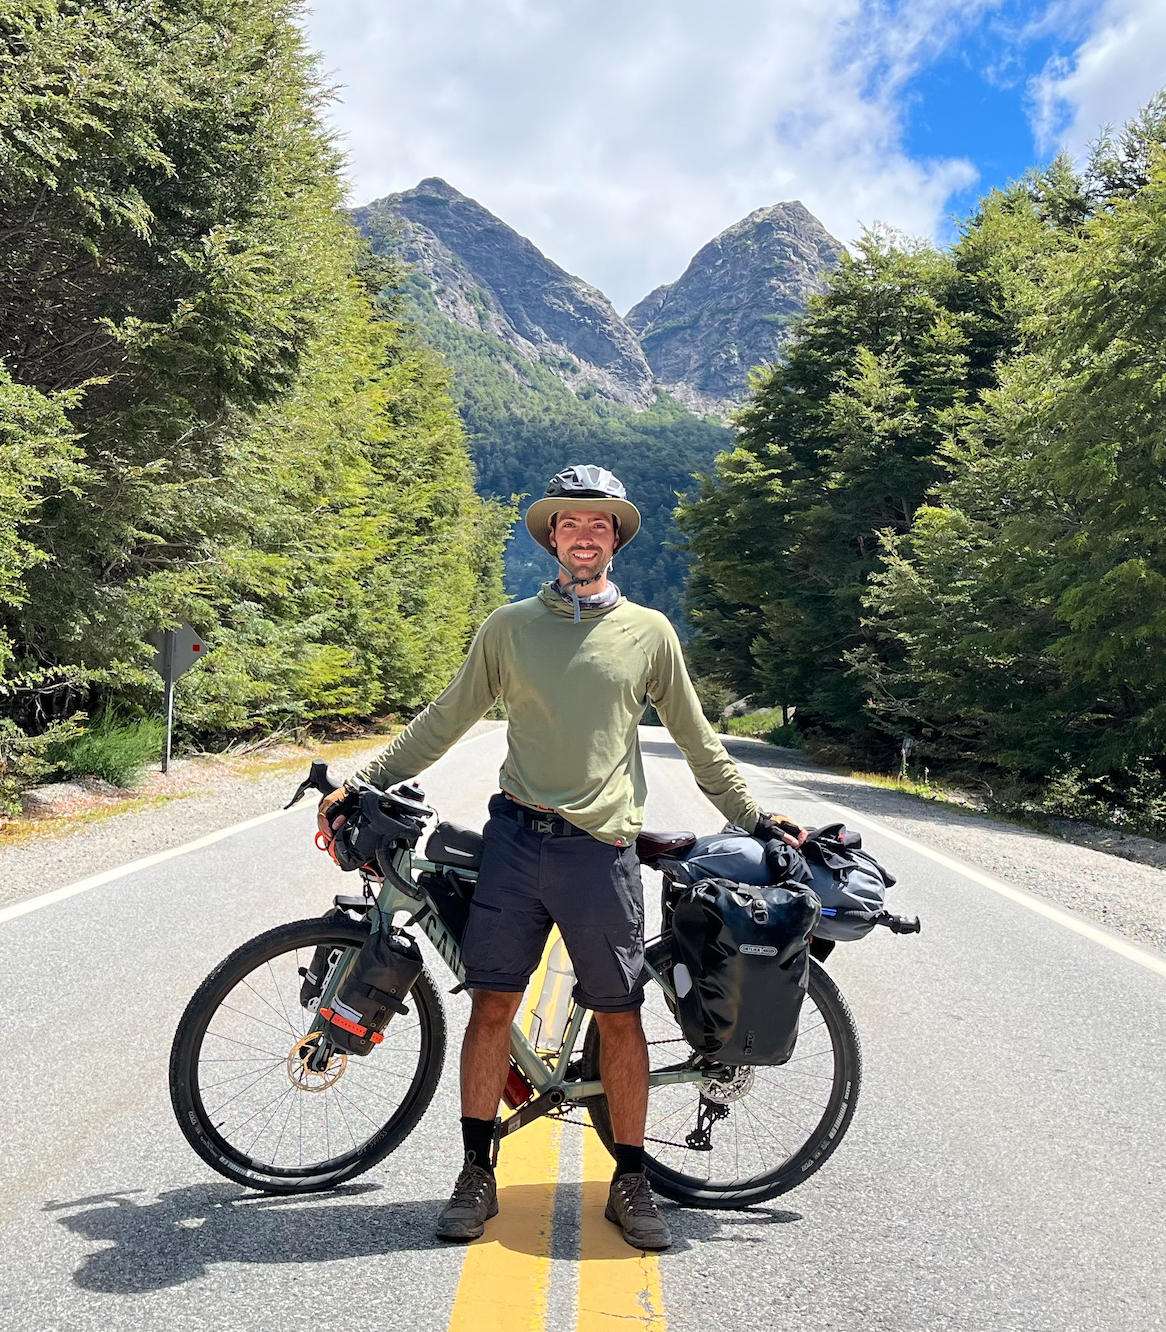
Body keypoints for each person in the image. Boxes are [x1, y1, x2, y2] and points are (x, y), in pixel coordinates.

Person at [317, 464, 806, 1250]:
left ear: (615, 538)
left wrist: (753, 815)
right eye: (571, 523)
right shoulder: (508, 628)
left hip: (600, 851)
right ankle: (477, 1173)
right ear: (552, 537)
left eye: (600, 523)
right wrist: (365, 779)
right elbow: (446, 719)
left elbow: (697, 740)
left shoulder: (649, 633)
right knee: (492, 1010)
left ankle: (632, 1179)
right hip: (516, 840)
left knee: (620, 1016)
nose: (585, 534)